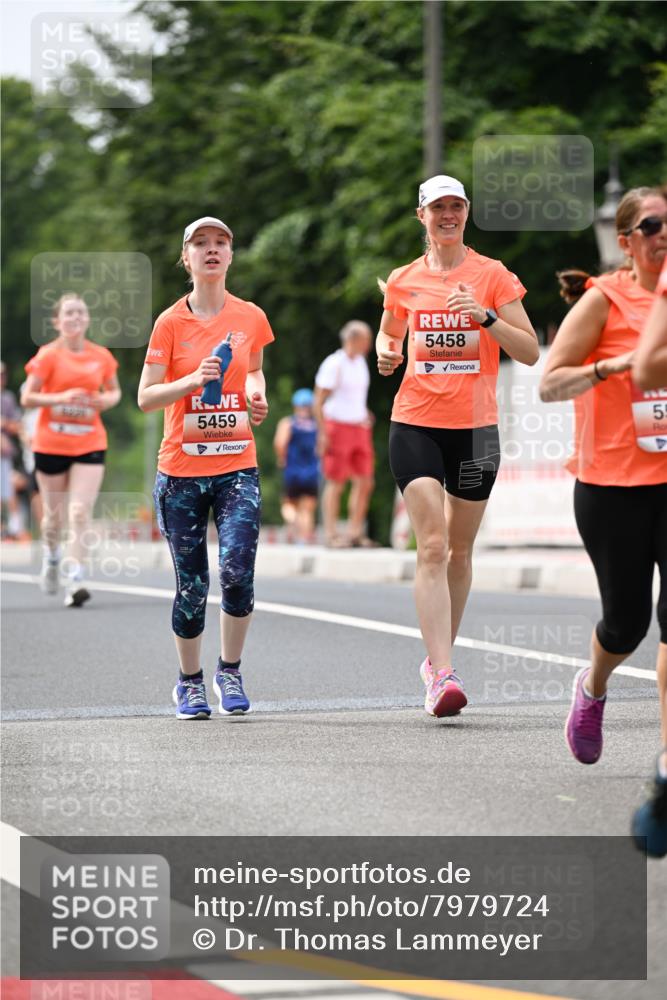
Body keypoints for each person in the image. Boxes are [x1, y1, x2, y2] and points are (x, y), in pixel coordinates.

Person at [376, 174, 539, 718]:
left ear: (466, 213)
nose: (448, 215)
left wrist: (486, 317)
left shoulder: (492, 275)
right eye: (438, 207)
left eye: (457, 206)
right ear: (421, 215)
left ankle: (435, 659)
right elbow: (388, 330)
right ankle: (443, 674)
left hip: (475, 430)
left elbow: (532, 351)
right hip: (415, 422)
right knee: (433, 545)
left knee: (461, 552)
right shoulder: (404, 279)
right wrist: (386, 352)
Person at [538, 187, 667, 856]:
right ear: (625, 241)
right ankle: (591, 687)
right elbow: (546, 382)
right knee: (627, 623)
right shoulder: (604, 298)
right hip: (610, 484)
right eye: (650, 225)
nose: (661, 233)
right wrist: (612, 366)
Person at [138, 215, 274, 720]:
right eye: (201, 244)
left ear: (231, 256)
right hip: (181, 471)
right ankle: (189, 682)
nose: (212, 250)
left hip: (238, 464)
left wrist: (257, 399)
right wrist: (193, 380)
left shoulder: (250, 317)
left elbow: (255, 371)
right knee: (193, 584)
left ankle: (230, 670)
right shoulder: (170, 323)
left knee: (237, 571)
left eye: (220, 243)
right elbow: (146, 397)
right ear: (187, 257)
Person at [21, 295, 121, 605]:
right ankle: (52, 557)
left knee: (79, 512)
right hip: (51, 443)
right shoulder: (48, 356)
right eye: (69, 313)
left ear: (87, 320)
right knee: (53, 518)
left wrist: (107, 400)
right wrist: (62, 398)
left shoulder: (101, 356)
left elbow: (114, 390)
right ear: (57, 321)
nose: (75, 318)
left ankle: (75, 577)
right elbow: (27, 398)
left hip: (89, 441)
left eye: (80, 312)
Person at [314, 320, 377, 547]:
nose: (369, 344)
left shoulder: (361, 361)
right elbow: (318, 400)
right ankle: (331, 534)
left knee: (365, 481)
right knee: (336, 481)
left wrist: (364, 412)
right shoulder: (334, 363)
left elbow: (353, 396)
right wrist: (322, 433)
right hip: (337, 426)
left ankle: (355, 532)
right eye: (366, 339)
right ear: (353, 339)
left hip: (359, 426)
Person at [273, 388, 319, 544]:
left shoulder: (288, 423)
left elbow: (280, 443)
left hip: (292, 470)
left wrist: (281, 458)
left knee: (288, 503)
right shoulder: (316, 425)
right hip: (312, 472)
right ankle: (304, 539)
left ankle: (292, 520)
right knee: (308, 508)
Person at [0, 361, 24, 539]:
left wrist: (5, 424)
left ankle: (14, 528)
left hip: (4, 455)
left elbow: (16, 426)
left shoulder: (7, 398)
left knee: (8, 488)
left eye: (3, 375)